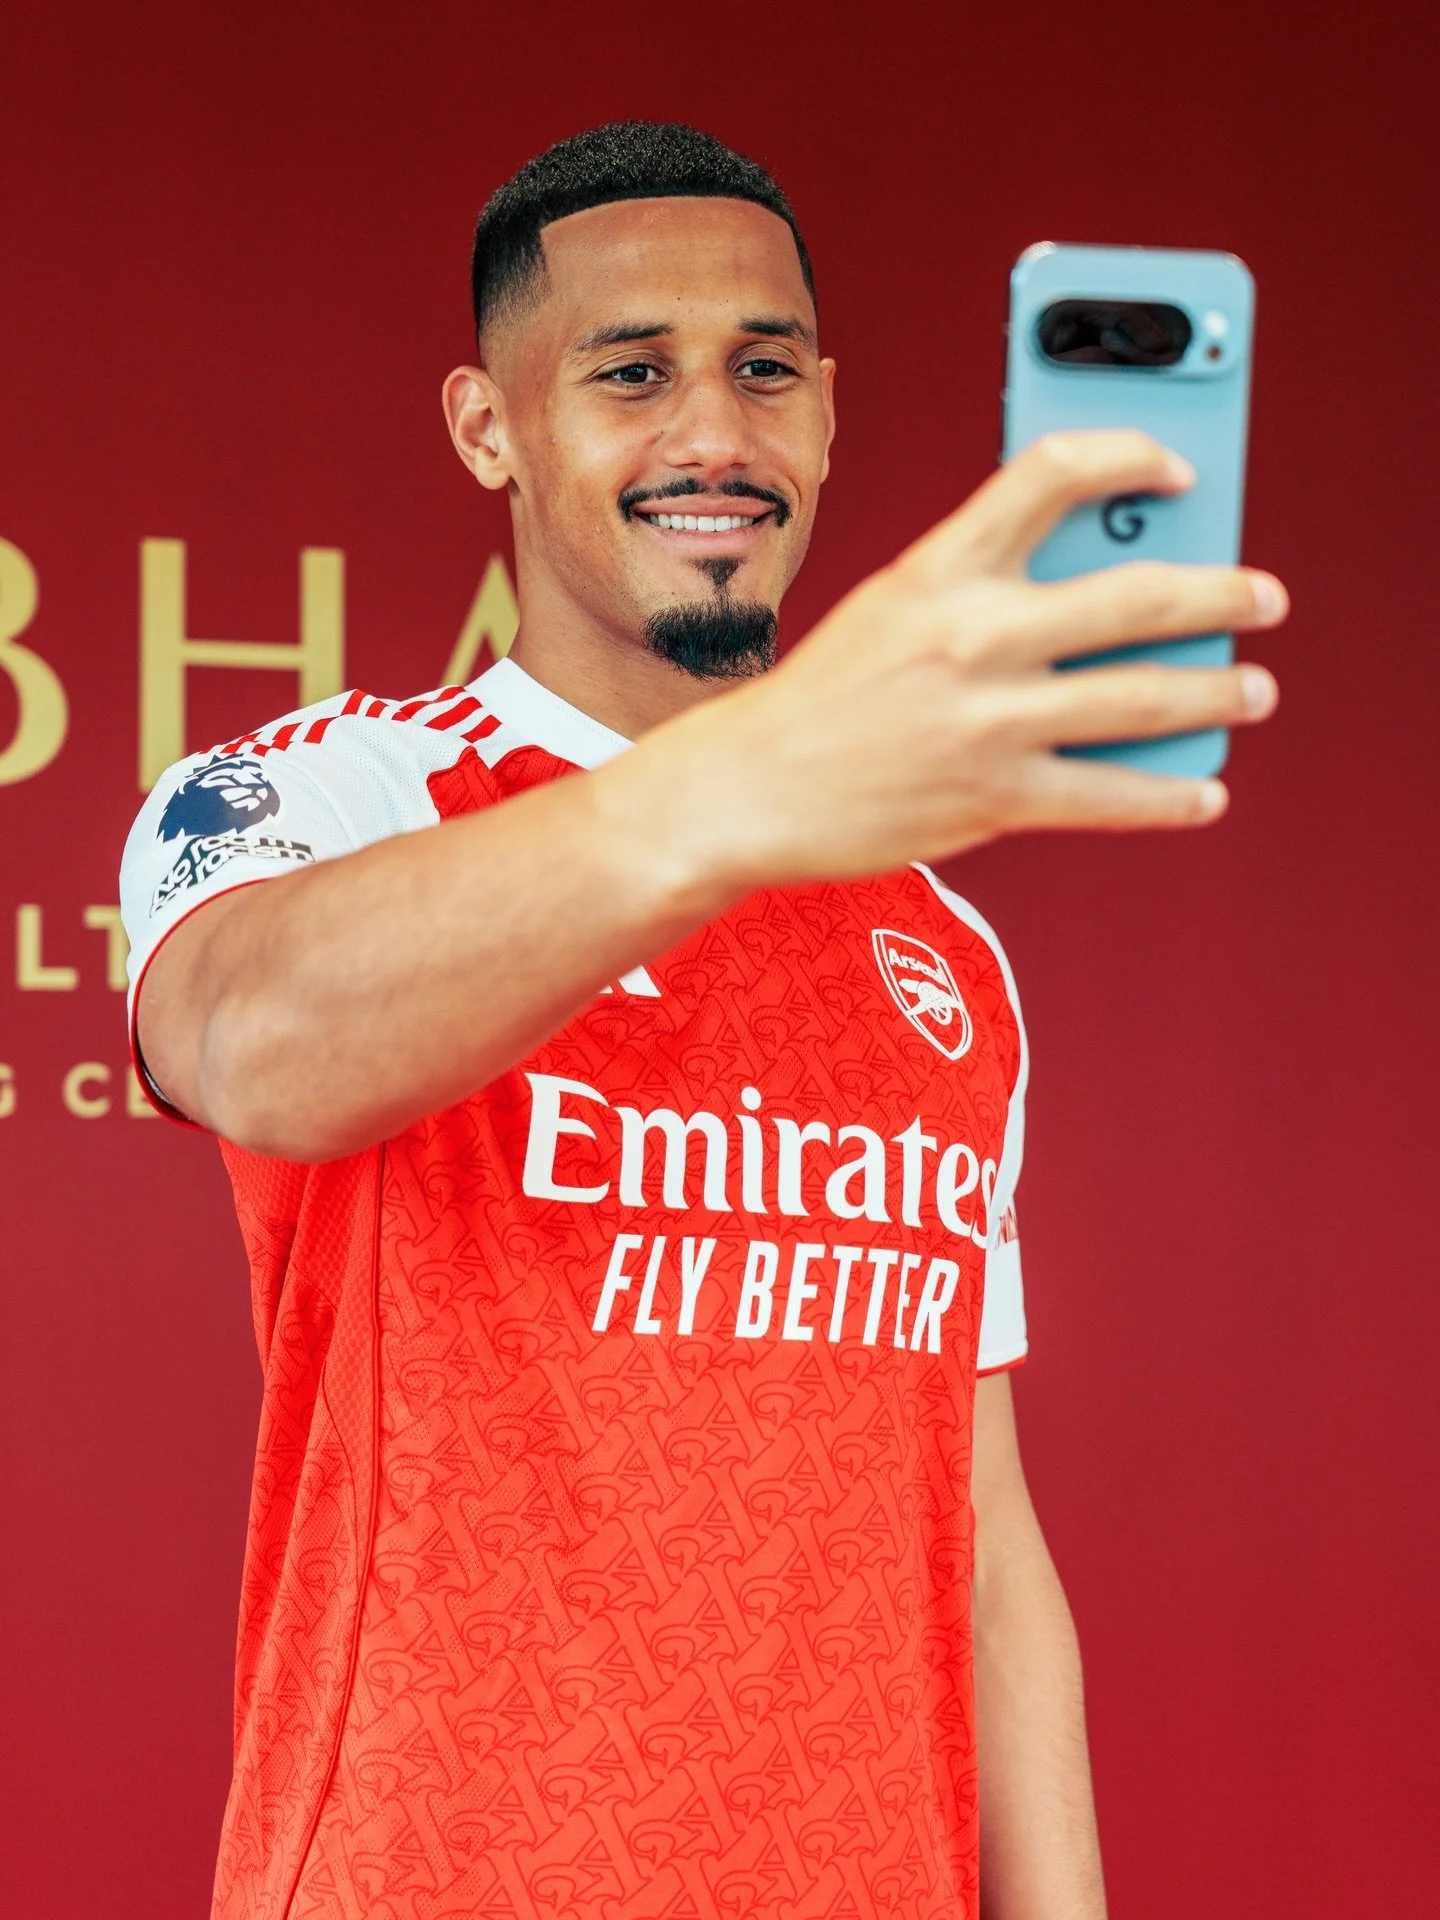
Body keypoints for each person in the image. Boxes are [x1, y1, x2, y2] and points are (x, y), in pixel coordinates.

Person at [119, 122, 1284, 1920]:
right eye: (630, 374)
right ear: (487, 426)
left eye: (762, 372)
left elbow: (973, 1541)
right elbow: (257, 1048)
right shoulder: (318, 789)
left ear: (826, 413)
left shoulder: (943, 947)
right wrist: (728, 788)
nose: (712, 437)